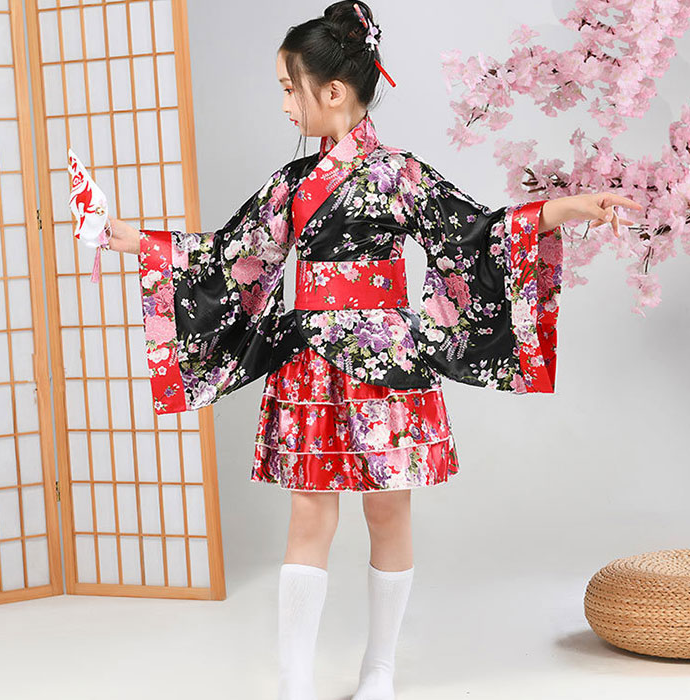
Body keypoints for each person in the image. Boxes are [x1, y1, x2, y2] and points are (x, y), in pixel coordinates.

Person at [106, 3, 642, 698]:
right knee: (308, 511)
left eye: (289, 88)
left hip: (388, 362)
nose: (284, 104)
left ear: (332, 91)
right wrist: (142, 243)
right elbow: (231, 255)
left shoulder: (399, 174)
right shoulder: (292, 184)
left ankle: (379, 668)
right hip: (310, 362)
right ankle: (295, 680)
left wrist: (564, 208)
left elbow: (474, 233)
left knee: (388, 509)